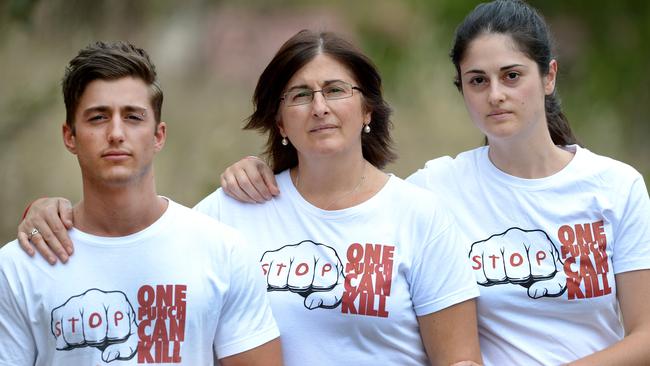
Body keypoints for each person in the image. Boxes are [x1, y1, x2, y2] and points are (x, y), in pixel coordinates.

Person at [115, 1, 650, 365]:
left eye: (512, 76)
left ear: (549, 76)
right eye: (477, 81)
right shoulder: (438, 188)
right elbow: (146, 256)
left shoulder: (614, 186)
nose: (496, 95)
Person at [15, 32, 482, 365]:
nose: (319, 107)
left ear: (367, 109)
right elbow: (141, 239)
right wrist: (46, 214)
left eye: (336, 91)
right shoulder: (232, 209)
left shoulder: (419, 214)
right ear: (279, 122)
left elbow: (460, 359)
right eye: (299, 95)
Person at [0, 41, 282, 366]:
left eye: (133, 117)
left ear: (158, 135)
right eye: (97, 118)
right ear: (70, 136)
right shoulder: (19, 267)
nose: (116, 133)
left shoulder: (222, 250)